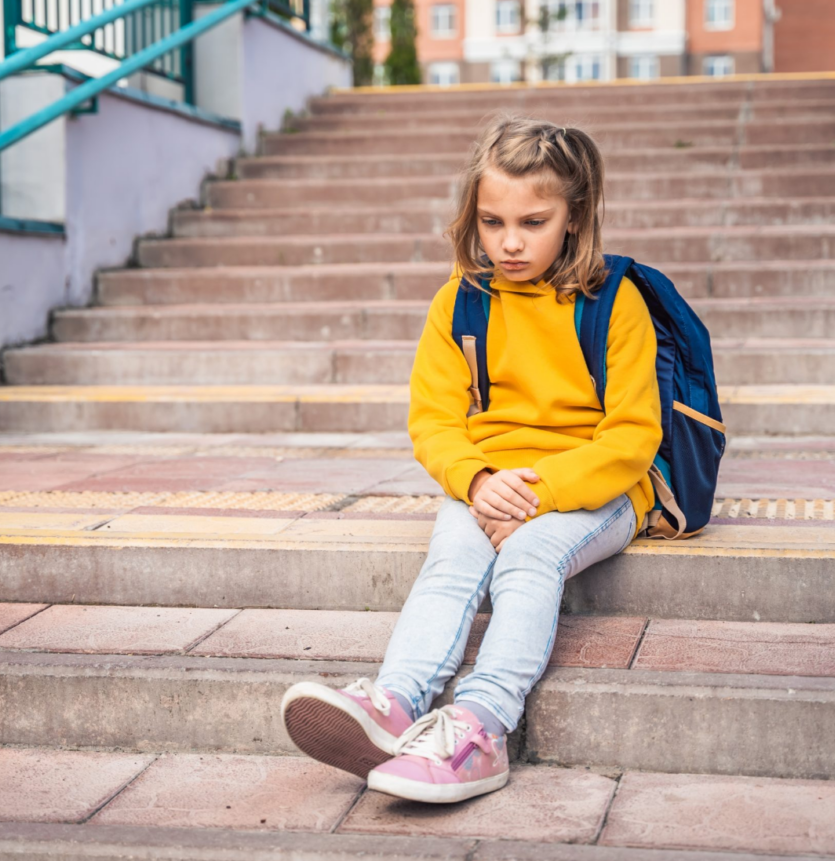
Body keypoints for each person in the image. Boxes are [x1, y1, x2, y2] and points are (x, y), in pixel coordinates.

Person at [280, 114, 663, 804]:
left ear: (574, 217)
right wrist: (480, 480)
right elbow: (433, 419)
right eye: (492, 222)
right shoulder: (461, 301)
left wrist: (535, 493)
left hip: (596, 489)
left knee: (528, 557)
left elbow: (632, 436)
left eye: (532, 222)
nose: (509, 242)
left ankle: (482, 727)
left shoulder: (616, 301)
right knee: (452, 559)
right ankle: (396, 703)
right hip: (486, 485)